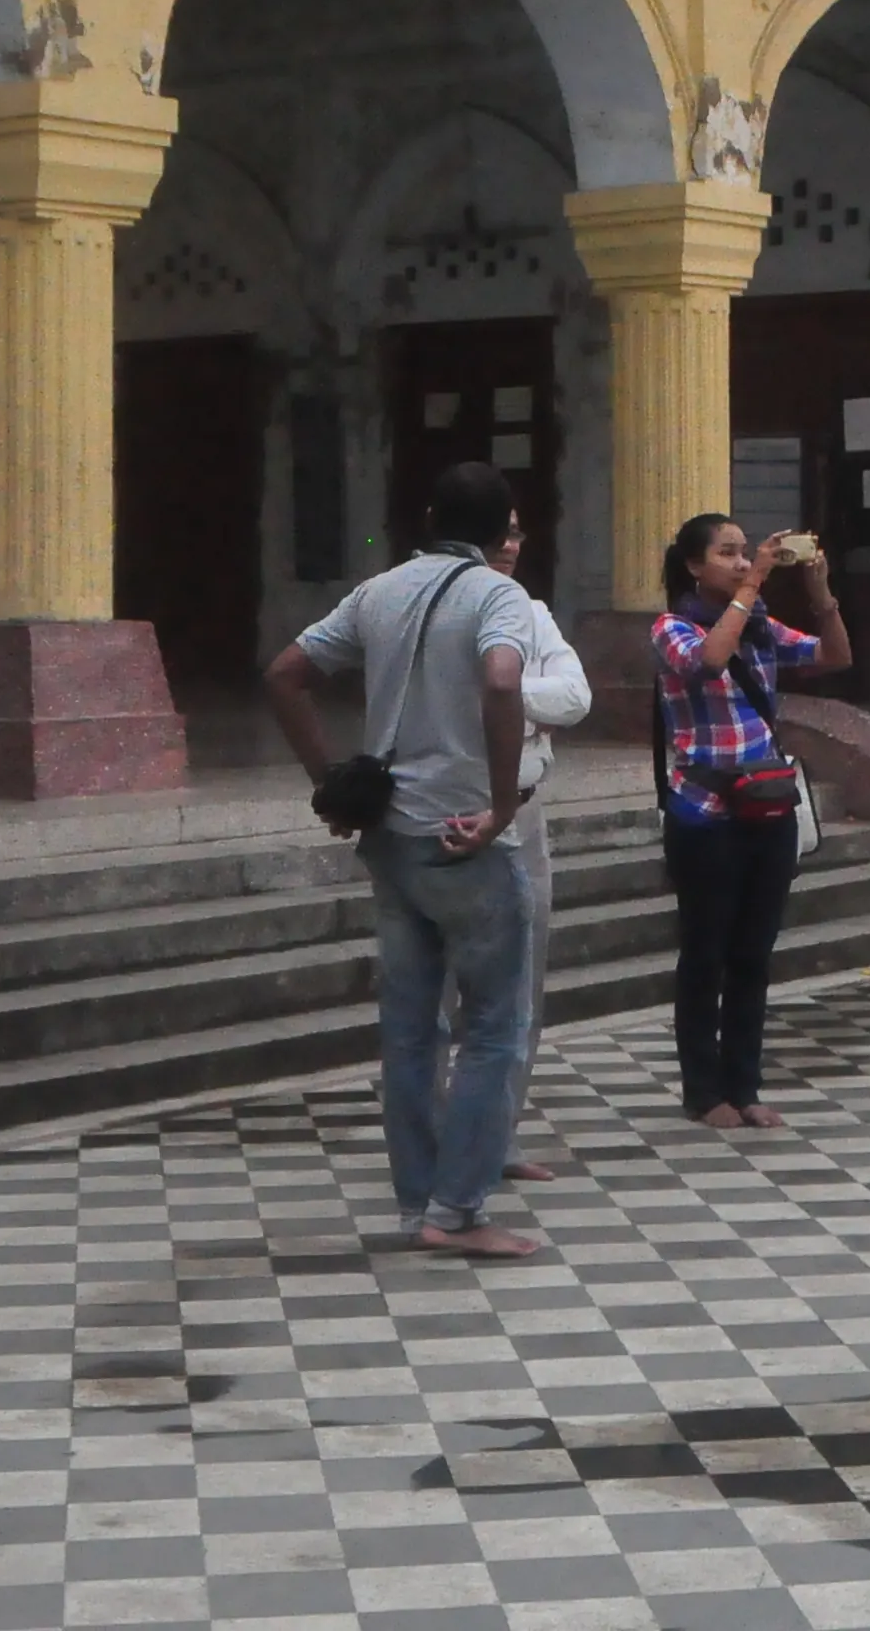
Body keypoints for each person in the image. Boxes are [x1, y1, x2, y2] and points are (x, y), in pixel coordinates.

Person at [263, 461, 543, 1257]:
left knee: (410, 1030)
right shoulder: (498, 594)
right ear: (502, 532)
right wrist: (501, 802)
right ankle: (458, 1211)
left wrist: (332, 785)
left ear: (428, 516)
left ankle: (416, 1201)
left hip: (389, 834)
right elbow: (500, 678)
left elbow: (285, 675)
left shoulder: (380, 590)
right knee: (493, 1027)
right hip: (463, 837)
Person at [651, 514, 851, 1131]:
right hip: (703, 810)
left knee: (752, 956)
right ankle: (702, 1090)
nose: (742, 563)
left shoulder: (760, 626)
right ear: (692, 565)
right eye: (728, 554)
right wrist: (753, 585)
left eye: (747, 554)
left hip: (766, 807)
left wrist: (821, 597)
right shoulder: (671, 627)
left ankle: (746, 1083)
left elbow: (835, 657)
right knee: (704, 953)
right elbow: (711, 660)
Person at [454, 519, 592, 1183]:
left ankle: (498, 1137)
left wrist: (507, 703)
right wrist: (509, 704)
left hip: (524, 808)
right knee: (439, 992)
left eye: (516, 532)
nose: (509, 544)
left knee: (523, 985)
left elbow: (575, 696)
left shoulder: (532, 613)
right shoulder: (439, 609)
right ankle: (438, 1140)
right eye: (496, 532)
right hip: (450, 804)